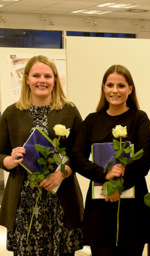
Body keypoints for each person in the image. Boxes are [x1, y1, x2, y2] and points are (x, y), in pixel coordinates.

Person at [0, 55, 84, 255]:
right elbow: (0, 152)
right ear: (26, 78)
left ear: (55, 79)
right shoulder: (12, 113)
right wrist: (9, 161)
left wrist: (61, 173)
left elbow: (80, 153)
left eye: (47, 75)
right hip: (24, 203)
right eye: (36, 75)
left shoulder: (69, 111)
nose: (42, 80)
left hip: (61, 200)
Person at [72, 64, 150, 255]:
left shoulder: (139, 118)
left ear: (130, 89)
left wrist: (118, 186)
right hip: (100, 206)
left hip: (133, 209)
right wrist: (105, 176)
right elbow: (77, 157)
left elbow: (146, 157)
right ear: (103, 88)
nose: (114, 90)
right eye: (110, 85)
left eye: (121, 86)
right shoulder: (92, 120)